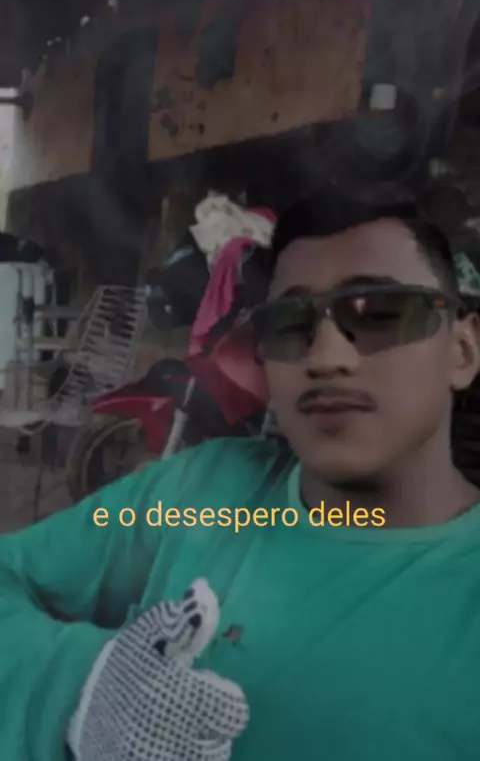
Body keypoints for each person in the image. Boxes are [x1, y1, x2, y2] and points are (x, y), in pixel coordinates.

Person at [1, 182, 480, 761]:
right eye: (290, 325)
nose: (325, 357)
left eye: (380, 312)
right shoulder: (197, 496)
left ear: (462, 350)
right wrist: (77, 690)